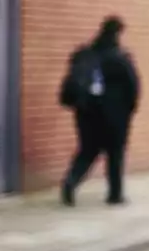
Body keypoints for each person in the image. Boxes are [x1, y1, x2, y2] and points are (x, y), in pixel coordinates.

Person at [59, 15, 140, 205]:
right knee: (115, 153)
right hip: (115, 115)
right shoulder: (120, 58)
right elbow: (133, 87)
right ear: (117, 33)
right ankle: (115, 194)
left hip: (86, 113)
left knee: (87, 151)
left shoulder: (85, 54)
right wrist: (128, 110)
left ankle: (71, 182)